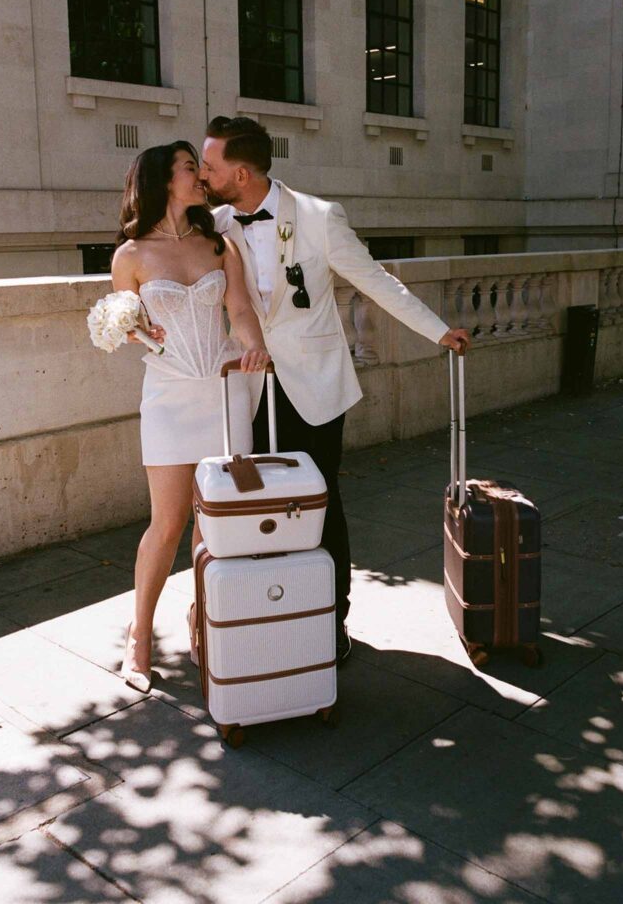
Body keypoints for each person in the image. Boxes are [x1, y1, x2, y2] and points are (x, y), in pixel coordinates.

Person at [199, 117, 471, 666]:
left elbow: (376, 280)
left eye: (210, 167)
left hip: (314, 387)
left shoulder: (319, 218)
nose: (203, 175)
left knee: (320, 504)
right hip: (249, 390)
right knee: (254, 506)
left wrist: (438, 331)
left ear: (242, 173)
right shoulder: (216, 223)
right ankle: (272, 613)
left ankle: (332, 619)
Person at [111, 140, 270, 692]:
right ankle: (139, 637)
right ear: (163, 180)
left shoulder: (219, 244)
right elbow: (125, 324)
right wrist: (137, 331)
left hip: (223, 395)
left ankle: (203, 620)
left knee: (215, 523)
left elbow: (239, 309)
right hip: (168, 397)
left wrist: (254, 345)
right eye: (188, 168)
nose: (199, 176)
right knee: (168, 523)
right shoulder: (130, 255)